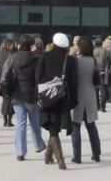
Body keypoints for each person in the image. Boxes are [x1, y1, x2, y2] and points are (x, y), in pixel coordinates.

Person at [36, 33, 77, 170]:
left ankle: (61, 161)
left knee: (52, 128)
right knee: (55, 126)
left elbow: (38, 77)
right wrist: (73, 100)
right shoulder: (70, 60)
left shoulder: (45, 56)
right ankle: (48, 156)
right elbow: (73, 82)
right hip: (63, 97)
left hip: (47, 96)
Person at [5, 34, 46, 161]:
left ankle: (20, 151)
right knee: (35, 121)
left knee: (20, 123)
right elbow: (39, 77)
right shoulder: (36, 58)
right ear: (32, 44)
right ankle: (38, 145)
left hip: (17, 94)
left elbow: (8, 75)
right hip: (31, 94)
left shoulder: (13, 57)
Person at [71, 37, 101, 164]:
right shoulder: (94, 61)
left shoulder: (75, 61)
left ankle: (77, 156)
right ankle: (96, 154)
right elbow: (97, 80)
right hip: (91, 95)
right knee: (91, 125)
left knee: (75, 126)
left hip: (77, 95)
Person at [0, 39, 16, 127]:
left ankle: (4, 119)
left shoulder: (0, 53)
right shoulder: (12, 54)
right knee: (11, 98)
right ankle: (10, 120)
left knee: (5, 99)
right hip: (11, 78)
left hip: (2, 78)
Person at [92, 39, 110, 113]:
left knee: (95, 90)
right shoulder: (105, 51)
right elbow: (109, 61)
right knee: (103, 90)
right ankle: (103, 107)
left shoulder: (93, 51)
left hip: (95, 71)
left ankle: (97, 106)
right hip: (103, 71)